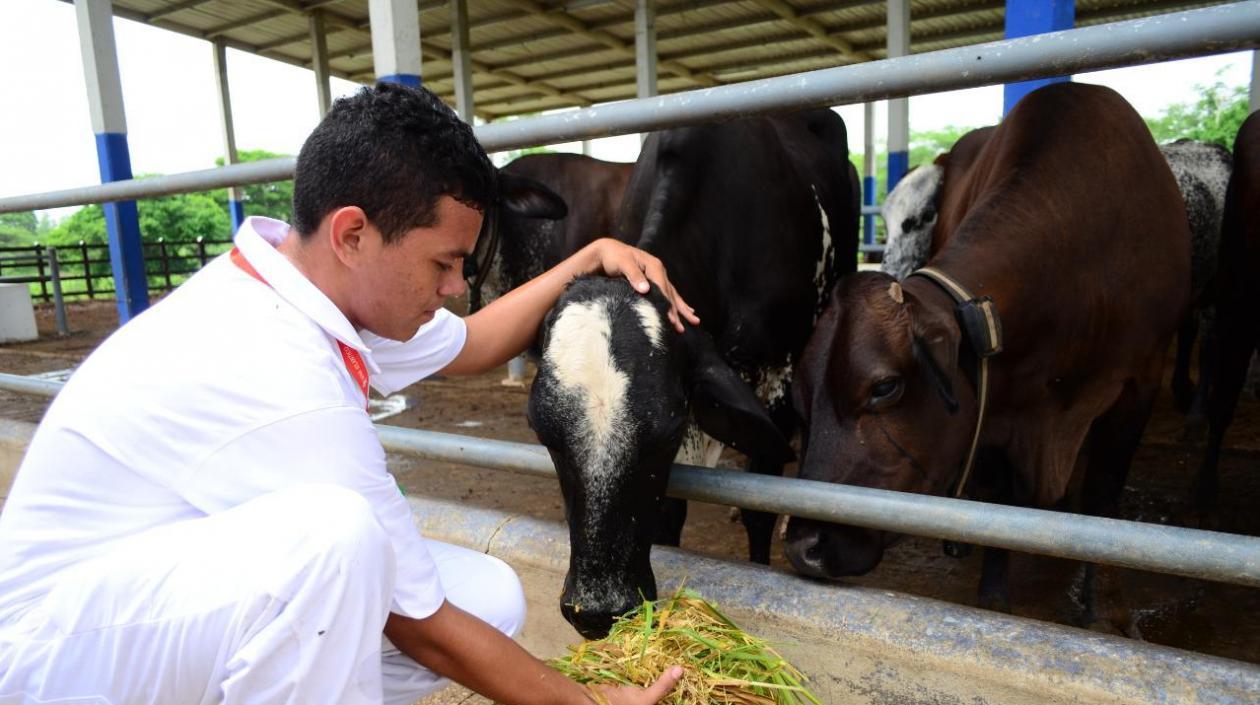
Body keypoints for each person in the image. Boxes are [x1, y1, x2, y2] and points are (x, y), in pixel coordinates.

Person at [0, 83, 698, 705]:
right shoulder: (271, 355)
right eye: (443, 263)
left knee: (485, 598)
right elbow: (424, 627)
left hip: (152, 607)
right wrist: (588, 701)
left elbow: (475, 342)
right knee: (339, 546)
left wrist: (589, 255)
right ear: (354, 234)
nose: (455, 287)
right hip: (50, 659)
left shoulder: (315, 292)